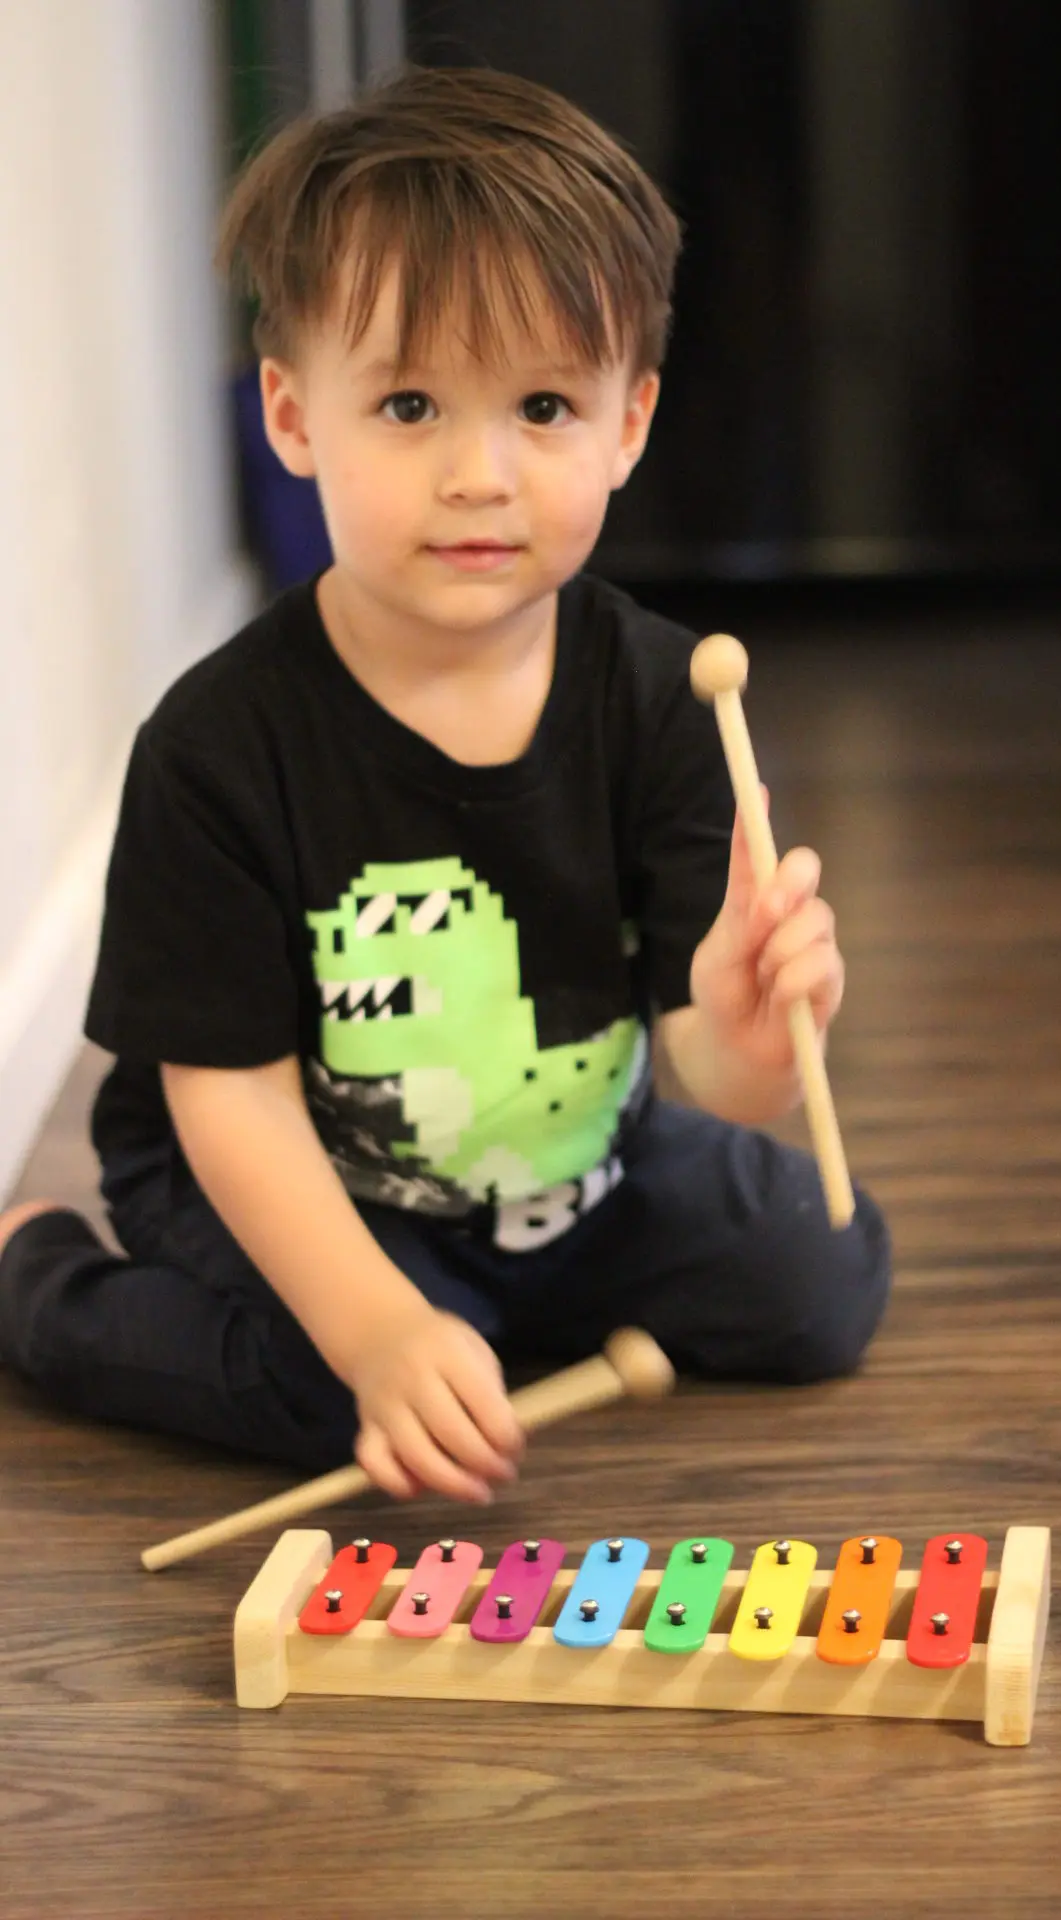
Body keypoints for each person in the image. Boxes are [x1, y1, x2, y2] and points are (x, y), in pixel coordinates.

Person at [0, 66, 890, 1503]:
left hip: (562, 1159)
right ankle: (37, 1278)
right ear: (295, 420)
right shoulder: (218, 747)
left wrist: (753, 1040)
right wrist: (379, 1328)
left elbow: (709, 1072)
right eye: (410, 404)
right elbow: (227, 1100)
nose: (481, 473)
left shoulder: (668, 700)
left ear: (631, 420)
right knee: (325, 1393)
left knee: (822, 1276)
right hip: (287, 1165)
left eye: (544, 405)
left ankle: (477, 1313)